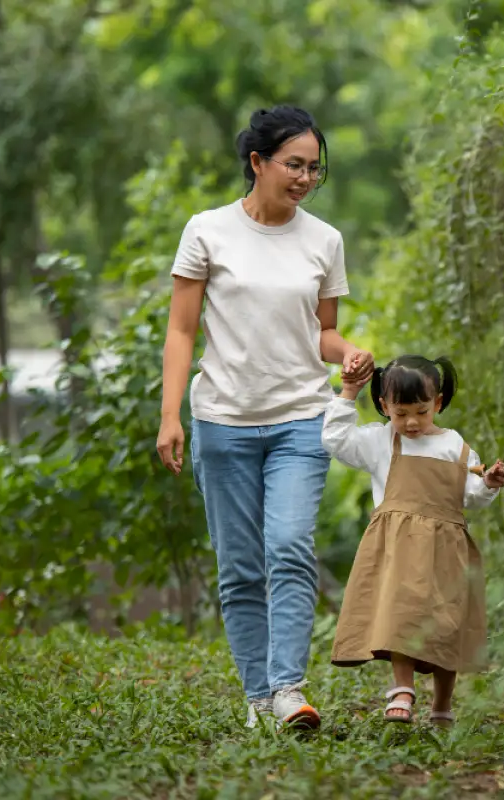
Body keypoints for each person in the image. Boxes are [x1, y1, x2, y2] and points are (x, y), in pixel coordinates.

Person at [155, 105, 374, 731]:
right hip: (222, 420)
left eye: (315, 169)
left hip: (301, 419)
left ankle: (287, 689)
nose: (305, 178)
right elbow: (180, 329)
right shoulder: (207, 231)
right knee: (243, 565)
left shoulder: (324, 240)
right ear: (257, 162)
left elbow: (324, 333)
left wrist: (349, 353)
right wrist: (171, 416)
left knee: (288, 547)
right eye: (294, 165)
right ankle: (258, 697)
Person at [320, 355, 504, 726]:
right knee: (401, 616)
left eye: (421, 412)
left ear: (437, 403)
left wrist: (488, 483)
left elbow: (469, 496)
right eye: (400, 412)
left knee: (446, 624)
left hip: (447, 550)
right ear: (383, 406)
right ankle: (402, 690)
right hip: (397, 551)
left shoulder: (456, 446)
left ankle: (442, 706)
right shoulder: (380, 441)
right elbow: (336, 440)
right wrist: (346, 394)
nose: (411, 422)